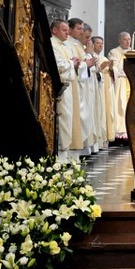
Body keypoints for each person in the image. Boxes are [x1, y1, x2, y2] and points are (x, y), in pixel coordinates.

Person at [67, 18, 96, 157]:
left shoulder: (76, 45)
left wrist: (88, 59)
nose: (81, 31)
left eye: (81, 29)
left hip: (83, 86)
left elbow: (83, 65)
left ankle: (83, 146)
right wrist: (88, 58)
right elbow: (78, 66)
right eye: (79, 29)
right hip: (75, 86)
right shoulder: (70, 45)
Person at [50, 20, 78, 163]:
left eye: (68, 30)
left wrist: (73, 63)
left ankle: (64, 154)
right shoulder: (52, 44)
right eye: (64, 30)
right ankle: (60, 155)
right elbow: (58, 64)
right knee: (63, 118)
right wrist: (71, 63)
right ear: (54, 31)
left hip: (68, 86)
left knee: (68, 118)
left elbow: (68, 62)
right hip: (59, 87)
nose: (67, 33)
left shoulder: (65, 45)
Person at [107, 31, 134, 144]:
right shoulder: (114, 52)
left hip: (132, 83)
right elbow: (115, 68)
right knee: (121, 107)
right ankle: (121, 134)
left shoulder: (134, 52)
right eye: (125, 39)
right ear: (119, 40)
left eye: (129, 39)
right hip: (121, 84)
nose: (128, 42)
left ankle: (132, 132)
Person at [91, 36, 116, 146]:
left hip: (107, 90)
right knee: (100, 113)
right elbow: (93, 72)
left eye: (102, 43)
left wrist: (111, 68)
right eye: (98, 43)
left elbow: (112, 75)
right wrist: (100, 68)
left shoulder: (104, 58)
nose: (100, 45)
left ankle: (106, 138)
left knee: (107, 112)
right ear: (92, 44)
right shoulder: (92, 57)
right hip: (99, 89)